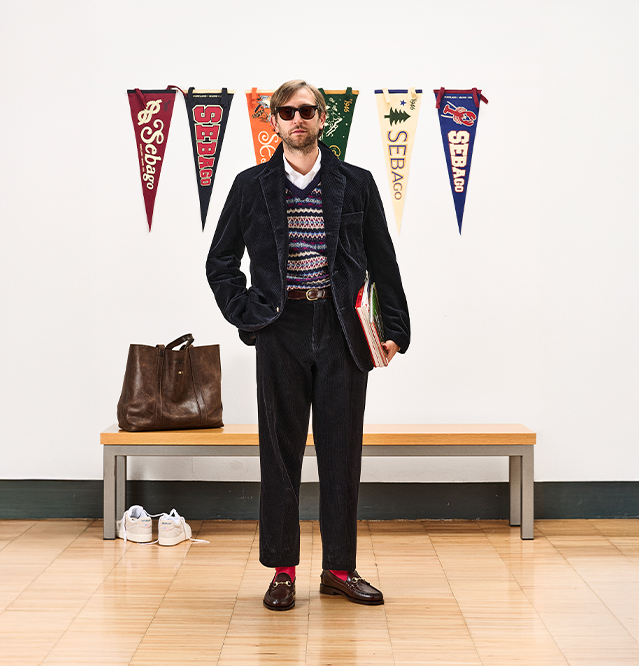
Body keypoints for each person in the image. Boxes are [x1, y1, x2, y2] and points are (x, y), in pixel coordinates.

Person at [206, 80, 410, 610]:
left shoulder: (357, 183)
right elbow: (221, 262)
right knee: (280, 453)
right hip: (281, 329)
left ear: (323, 118)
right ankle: (283, 571)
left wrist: (394, 329)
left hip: (343, 328)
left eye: (307, 110)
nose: (297, 119)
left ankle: (339, 569)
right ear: (274, 121)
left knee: (342, 452)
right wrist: (250, 315)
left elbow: (383, 260)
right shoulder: (250, 186)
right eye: (286, 111)